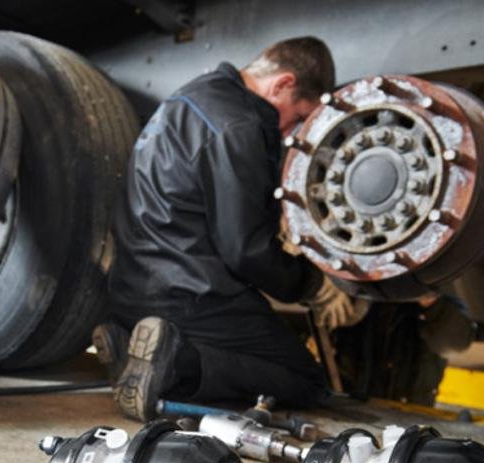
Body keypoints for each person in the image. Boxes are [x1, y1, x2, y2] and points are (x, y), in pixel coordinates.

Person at [93, 37, 363, 421]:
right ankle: (176, 362)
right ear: (283, 83)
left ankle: (129, 343)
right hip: (188, 294)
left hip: (134, 286)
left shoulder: (192, 97)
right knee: (306, 381)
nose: (291, 131)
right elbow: (245, 250)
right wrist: (312, 285)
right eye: (298, 116)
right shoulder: (240, 124)